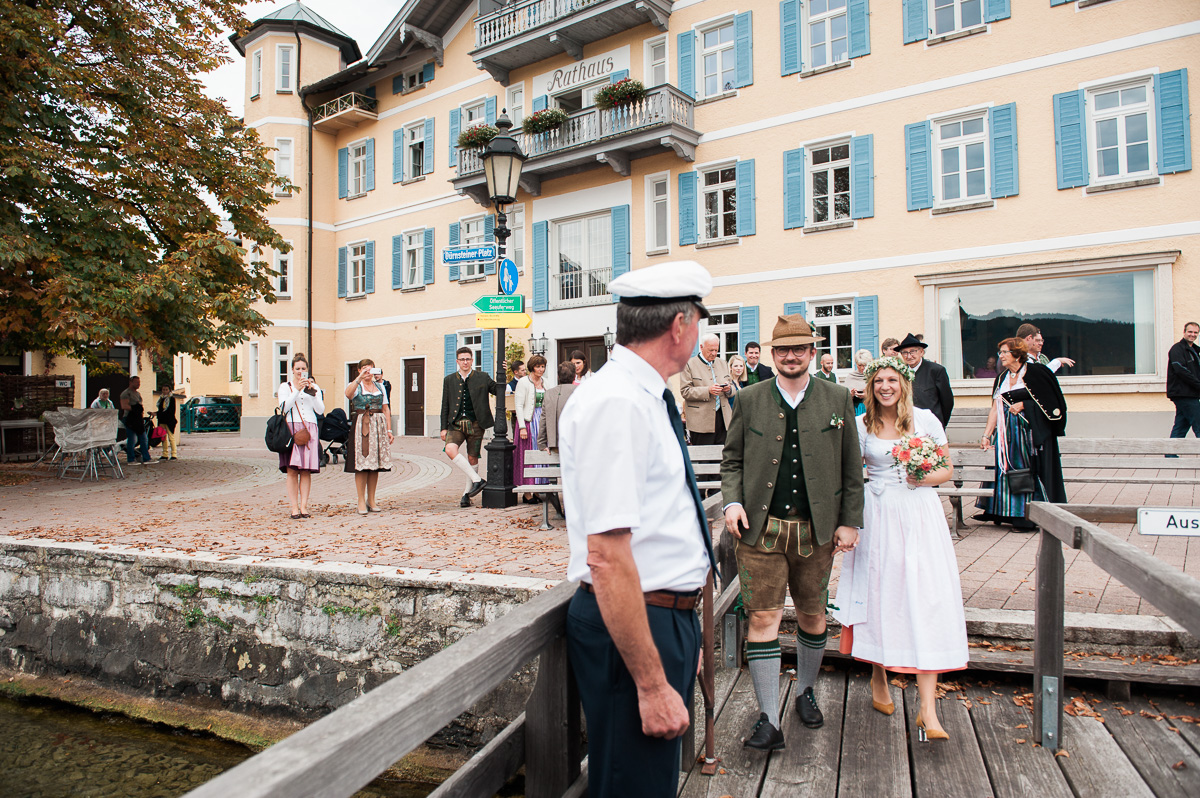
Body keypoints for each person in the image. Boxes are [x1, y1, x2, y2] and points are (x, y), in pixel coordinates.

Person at [561, 260, 718, 798]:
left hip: (657, 617)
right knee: (634, 788)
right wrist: (651, 683)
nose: (700, 332)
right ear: (680, 325)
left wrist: (685, 630)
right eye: (700, 319)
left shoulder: (641, 395)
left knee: (647, 782)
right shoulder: (618, 402)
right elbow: (606, 554)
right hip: (634, 619)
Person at [721, 314, 864, 750]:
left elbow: (851, 466)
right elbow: (733, 461)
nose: (790, 356)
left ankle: (805, 690)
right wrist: (732, 501)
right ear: (772, 354)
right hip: (760, 530)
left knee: (812, 615)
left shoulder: (838, 399)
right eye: (782, 349)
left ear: (812, 353)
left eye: (799, 349)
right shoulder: (749, 399)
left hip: (816, 531)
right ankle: (767, 716)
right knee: (762, 617)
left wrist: (849, 520)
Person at [832, 356, 967, 742]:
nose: (885, 386)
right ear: (871, 386)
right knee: (880, 593)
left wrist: (920, 475)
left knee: (925, 597)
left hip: (919, 512)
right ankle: (878, 676)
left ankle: (928, 708)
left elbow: (946, 470)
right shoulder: (861, 425)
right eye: (878, 381)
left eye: (892, 380)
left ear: (904, 384)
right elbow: (848, 474)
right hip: (877, 514)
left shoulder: (925, 420)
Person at [977, 338, 1068, 530]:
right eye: (1000, 352)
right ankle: (1004, 512)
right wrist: (986, 435)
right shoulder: (1001, 377)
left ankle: (1025, 517)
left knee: (1025, 472)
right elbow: (996, 407)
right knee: (1004, 469)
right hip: (1005, 433)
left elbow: (1053, 402)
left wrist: (1026, 404)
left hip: (1028, 435)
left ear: (1017, 354)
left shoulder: (1036, 372)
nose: (1000, 356)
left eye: (1004, 352)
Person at [440, 347, 495, 508]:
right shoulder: (449, 379)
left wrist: (504, 371)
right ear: (457, 361)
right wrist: (443, 427)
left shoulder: (483, 377)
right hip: (455, 424)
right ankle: (477, 480)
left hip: (477, 423)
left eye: (468, 359)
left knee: (472, 458)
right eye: (462, 359)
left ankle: (467, 494)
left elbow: (497, 389)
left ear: (472, 360)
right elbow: (445, 404)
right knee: (450, 449)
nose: (465, 362)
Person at [278, 353, 324, 519]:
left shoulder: (314, 387)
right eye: (297, 369)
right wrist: (297, 390)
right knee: (292, 470)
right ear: (292, 370)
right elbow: (284, 407)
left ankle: (304, 505)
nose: (300, 372)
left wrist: (312, 392)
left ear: (307, 370)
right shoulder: (285, 387)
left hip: (309, 428)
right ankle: (294, 507)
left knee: (306, 471)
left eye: (303, 369)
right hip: (292, 430)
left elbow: (320, 410)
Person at [344, 359, 393, 515]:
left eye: (370, 369)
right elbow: (348, 394)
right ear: (359, 371)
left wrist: (389, 430)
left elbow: (386, 409)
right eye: (364, 369)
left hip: (378, 425)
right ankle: (360, 501)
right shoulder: (356, 386)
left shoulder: (380, 387)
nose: (367, 372)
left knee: (375, 464)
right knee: (362, 463)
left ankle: (371, 499)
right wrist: (358, 379)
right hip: (362, 425)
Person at [680, 333, 734, 446]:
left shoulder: (723, 363)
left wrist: (728, 389)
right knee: (704, 458)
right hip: (700, 422)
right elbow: (685, 391)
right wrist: (707, 390)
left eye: (716, 350)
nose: (714, 353)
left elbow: (732, 387)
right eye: (710, 350)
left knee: (723, 458)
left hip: (724, 420)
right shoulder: (689, 364)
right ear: (701, 347)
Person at [898, 333, 954, 428]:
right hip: (906, 425)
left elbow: (947, 402)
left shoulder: (936, 370)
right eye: (904, 352)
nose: (909, 356)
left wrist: (940, 423)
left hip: (931, 425)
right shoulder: (899, 372)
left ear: (921, 352)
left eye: (912, 351)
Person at [514, 354, 549, 503]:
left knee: (540, 452)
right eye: (538, 366)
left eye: (542, 366)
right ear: (532, 367)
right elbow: (519, 405)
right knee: (527, 454)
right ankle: (527, 492)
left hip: (542, 420)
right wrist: (522, 426)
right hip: (529, 421)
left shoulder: (545, 382)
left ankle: (537, 489)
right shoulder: (523, 382)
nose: (541, 369)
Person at [1167, 322, 1200, 440]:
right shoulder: (1177, 349)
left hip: (1190, 394)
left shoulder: (1194, 351)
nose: (1192, 335)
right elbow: (1181, 371)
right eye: (1190, 332)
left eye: (1195, 332)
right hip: (1184, 394)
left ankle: (1171, 454)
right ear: (1184, 332)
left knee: (1181, 427)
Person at [119, 375, 151, 465]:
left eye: (139, 382)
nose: (138, 384)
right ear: (131, 382)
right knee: (132, 439)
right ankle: (131, 459)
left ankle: (146, 458)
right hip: (130, 418)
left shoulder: (137, 394)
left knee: (143, 438)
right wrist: (135, 409)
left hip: (138, 419)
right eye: (136, 382)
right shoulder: (126, 393)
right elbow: (124, 406)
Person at [844, 349, 872, 416]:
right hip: (854, 411)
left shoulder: (873, 376)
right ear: (856, 363)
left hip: (870, 409)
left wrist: (867, 395)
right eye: (860, 365)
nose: (862, 368)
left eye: (864, 365)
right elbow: (844, 399)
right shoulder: (850, 377)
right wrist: (851, 395)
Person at [155, 385, 179, 461]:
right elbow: (160, 410)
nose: (165, 391)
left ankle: (174, 454)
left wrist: (157, 414)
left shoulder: (171, 399)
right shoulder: (161, 399)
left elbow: (171, 411)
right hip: (162, 420)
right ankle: (165, 454)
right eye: (163, 389)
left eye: (166, 389)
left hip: (169, 421)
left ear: (169, 390)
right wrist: (157, 414)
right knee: (163, 438)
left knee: (171, 437)